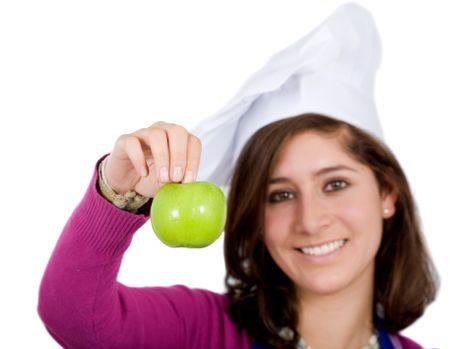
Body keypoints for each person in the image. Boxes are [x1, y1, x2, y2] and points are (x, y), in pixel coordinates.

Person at [38, 3, 438, 349]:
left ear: (387, 193)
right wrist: (117, 192)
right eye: (279, 195)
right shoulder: (201, 328)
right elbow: (73, 317)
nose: (311, 220)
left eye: (335, 184)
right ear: (255, 219)